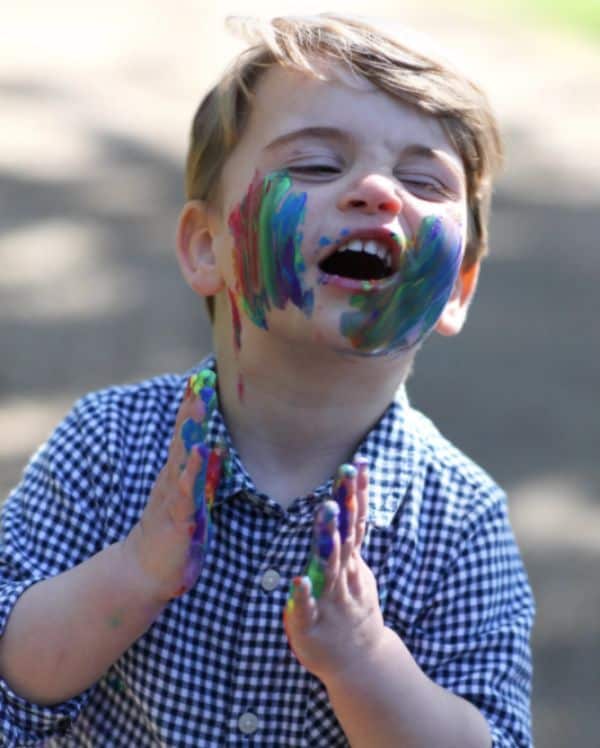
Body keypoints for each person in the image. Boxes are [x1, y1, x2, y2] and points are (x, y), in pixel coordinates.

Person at [0, 13, 534, 747]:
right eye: (316, 164)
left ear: (458, 287)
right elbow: (13, 676)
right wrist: (133, 574)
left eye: (421, 179)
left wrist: (363, 660)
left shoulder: (458, 521)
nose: (378, 191)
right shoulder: (108, 445)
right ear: (205, 246)